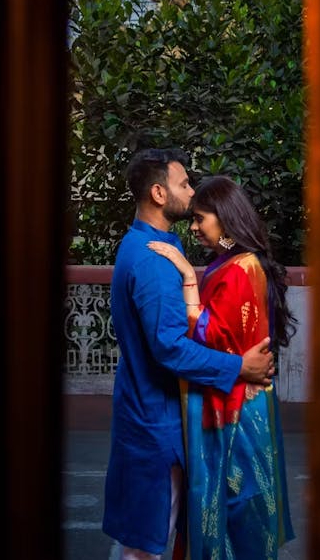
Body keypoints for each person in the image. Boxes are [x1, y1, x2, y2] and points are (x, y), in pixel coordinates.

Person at [103, 149, 276, 560]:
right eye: (183, 185)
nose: (191, 192)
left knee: (144, 536)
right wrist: (240, 366)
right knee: (144, 544)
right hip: (156, 421)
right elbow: (170, 348)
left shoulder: (154, 244)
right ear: (159, 193)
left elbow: (224, 261)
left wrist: (189, 273)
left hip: (150, 410)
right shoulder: (152, 260)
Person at [147, 175, 296, 559]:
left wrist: (187, 277)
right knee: (236, 503)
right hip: (240, 396)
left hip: (238, 410)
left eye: (200, 218)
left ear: (225, 217)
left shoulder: (240, 268)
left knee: (239, 505)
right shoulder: (230, 262)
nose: (194, 228)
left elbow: (209, 337)